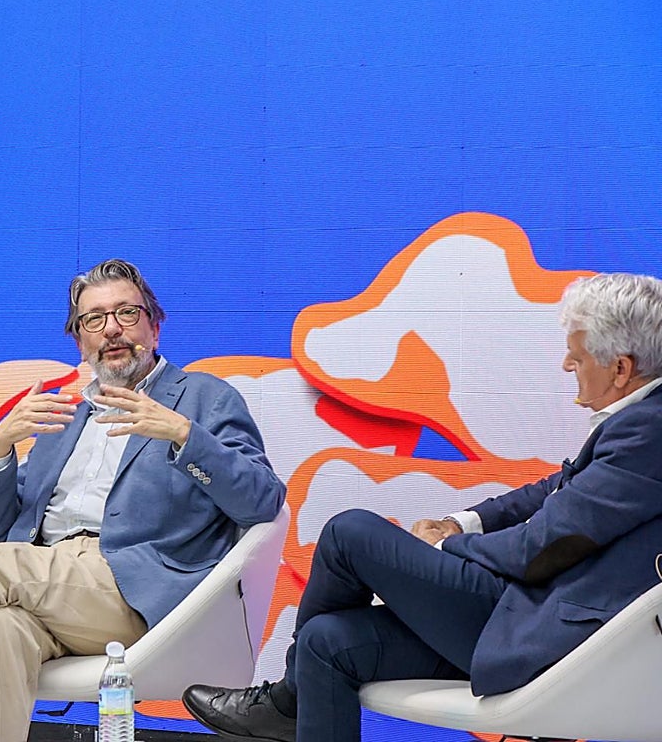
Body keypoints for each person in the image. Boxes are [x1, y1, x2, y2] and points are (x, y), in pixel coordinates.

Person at [182, 271, 662, 742]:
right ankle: (291, 702)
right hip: (516, 612)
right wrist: (462, 520)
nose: (565, 365)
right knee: (324, 641)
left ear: (620, 368)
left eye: (576, 357)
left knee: (350, 532)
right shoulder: (636, 423)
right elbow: (550, 490)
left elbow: (544, 547)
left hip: (535, 625)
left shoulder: (648, 430)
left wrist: (453, 544)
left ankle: (287, 704)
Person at [0, 258, 286, 741]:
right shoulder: (64, 416)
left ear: (155, 328)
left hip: (134, 588)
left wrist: (183, 434)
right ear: (80, 340)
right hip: (44, 580)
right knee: (4, 631)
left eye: (127, 313)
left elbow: (263, 502)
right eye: (94, 320)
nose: (112, 330)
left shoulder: (206, 398)